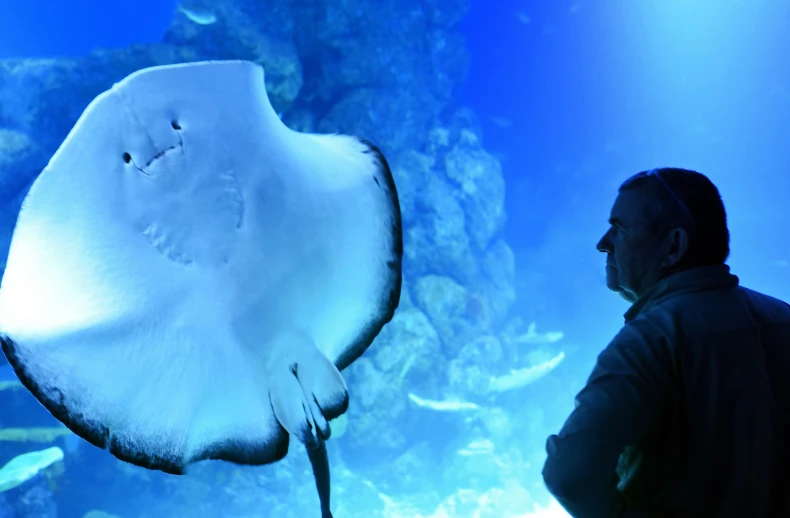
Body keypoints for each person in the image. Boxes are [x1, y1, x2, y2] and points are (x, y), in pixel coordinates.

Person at [541, 167, 790, 517]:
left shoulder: (649, 340)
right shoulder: (782, 318)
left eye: (620, 229)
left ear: (673, 246)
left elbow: (569, 474)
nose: (603, 243)